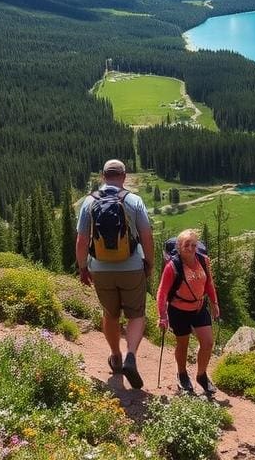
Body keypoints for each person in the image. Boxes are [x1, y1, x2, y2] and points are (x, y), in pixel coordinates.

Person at [76, 159, 154, 389]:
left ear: (103, 176)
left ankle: (115, 356)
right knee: (136, 314)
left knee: (110, 313)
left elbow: (81, 240)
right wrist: (148, 263)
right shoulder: (134, 200)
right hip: (131, 266)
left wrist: (83, 267)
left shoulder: (89, 202)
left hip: (100, 268)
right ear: (124, 176)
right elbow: (147, 236)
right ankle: (131, 355)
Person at [156, 228, 220, 395]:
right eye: (186, 245)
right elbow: (162, 292)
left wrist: (214, 303)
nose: (191, 248)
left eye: (193, 244)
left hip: (199, 306)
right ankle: (182, 374)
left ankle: (201, 375)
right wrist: (162, 316)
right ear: (179, 246)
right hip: (178, 310)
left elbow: (209, 283)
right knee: (182, 344)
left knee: (208, 342)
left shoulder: (204, 260)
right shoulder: (172, 266)